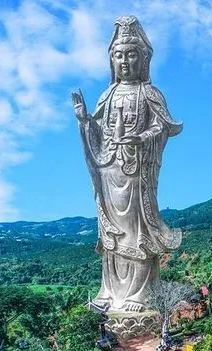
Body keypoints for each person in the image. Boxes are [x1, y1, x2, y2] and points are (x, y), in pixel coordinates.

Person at [72, 15, 183, 312]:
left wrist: (141, 138)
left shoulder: (149, 93)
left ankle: (140, 293)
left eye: (131, 54)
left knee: (137, 231)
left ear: (143, 58)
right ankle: (110, 290)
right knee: (112, 232)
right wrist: (84, 120)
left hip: (137, 174)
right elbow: (98, 133)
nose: (124, 61)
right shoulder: (107, 95)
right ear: (111, 60)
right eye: (118, 55)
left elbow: (164, 127)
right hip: (109, 170)